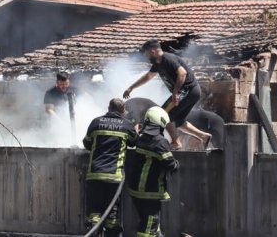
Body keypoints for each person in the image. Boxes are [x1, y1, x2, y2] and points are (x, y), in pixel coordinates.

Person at [123, 40, 211, 150]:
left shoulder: (168, 59)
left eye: (146, 54)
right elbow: (148, 77)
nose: (146, 57)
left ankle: (176, 143)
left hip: (188, 90)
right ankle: (204, 137)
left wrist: (175, 92)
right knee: (177, 121)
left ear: (153, 51)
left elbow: (182, 73)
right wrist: (131, 87)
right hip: (189, 92)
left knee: (164, 115)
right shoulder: (158, 63)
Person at [82, 98, 137, 236]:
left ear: (108, 108)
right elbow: (134, 143)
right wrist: (136, 129)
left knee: (94, 213)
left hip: (95, 175)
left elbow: (87, 144)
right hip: (114, 177)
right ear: (123, 111)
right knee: (112, 215)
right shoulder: (127, 125)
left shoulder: (96, 122)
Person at [125, 106, 179, 237]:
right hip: (150, 191)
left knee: (153, 225)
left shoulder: (141, 138)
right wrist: (177, 163)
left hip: (135, 189)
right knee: (149, 226)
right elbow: (171, 165)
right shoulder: (160, 142)